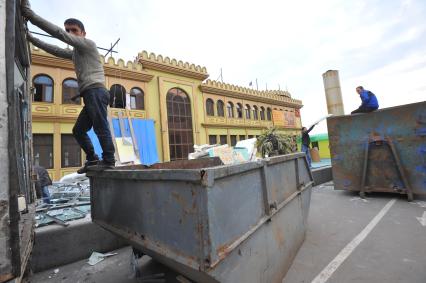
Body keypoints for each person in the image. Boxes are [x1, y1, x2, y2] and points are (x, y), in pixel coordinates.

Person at [22, 0, 115, 173]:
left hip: (96, 91)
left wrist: (31, 16)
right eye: (68, 30)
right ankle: (93, 159)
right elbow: (55, 50)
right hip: (90, 94)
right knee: (78, 130)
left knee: (100, 126)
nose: (70, 33)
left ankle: (109, 160)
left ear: (83, 33)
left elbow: (59, 34)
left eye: (74, 31)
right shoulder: (76, 53)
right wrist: (31, 38)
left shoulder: (89, 45)